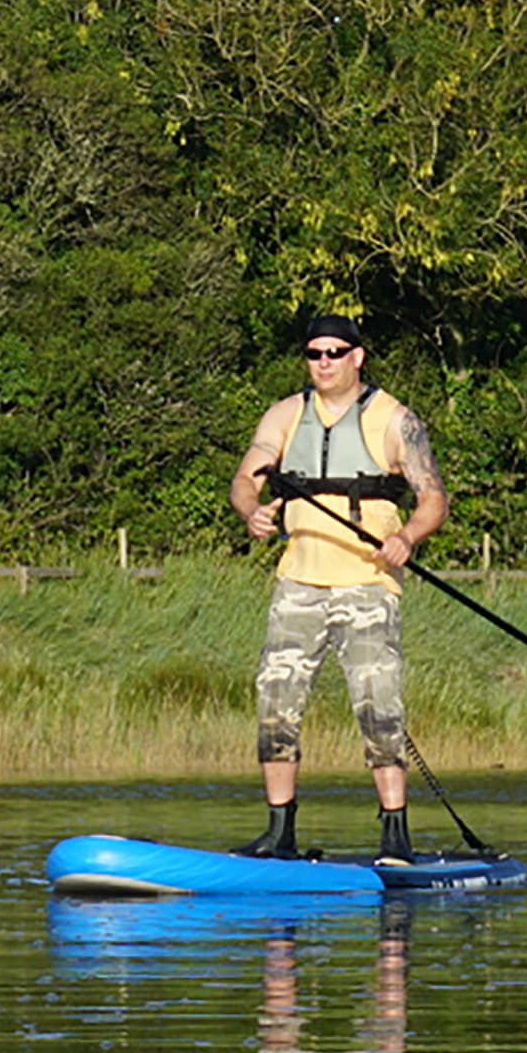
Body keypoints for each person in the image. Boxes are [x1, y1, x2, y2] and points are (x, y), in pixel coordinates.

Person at [225, 314, 451, 862]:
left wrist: (407, 537)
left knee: (378, 706)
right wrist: (252, 511)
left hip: (367, 584)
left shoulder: (394, 420)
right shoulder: (285, 414)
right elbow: (245, 478)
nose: (323, 363)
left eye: (334, 352)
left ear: (357, 357)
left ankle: (395, 835)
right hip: (298, 582)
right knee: (275, 702)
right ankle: (280, 832)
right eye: (314, 353)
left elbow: (433, 499)